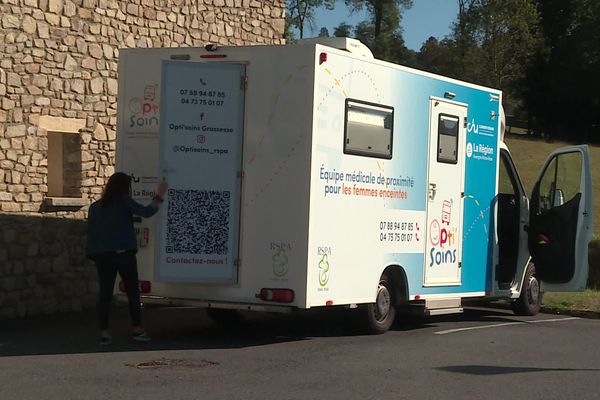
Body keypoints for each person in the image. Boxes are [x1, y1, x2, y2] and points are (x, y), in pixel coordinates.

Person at [86, 172, 168, 345]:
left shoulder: (95, 207)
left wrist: (95, 254)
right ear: (125, 187)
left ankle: (104, 333)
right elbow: (146, 212)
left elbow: (92, 233)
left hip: (103, 256)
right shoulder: (123, 201)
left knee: (105, 295)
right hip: (124, 255)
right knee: (133, 293)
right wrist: (159, 195)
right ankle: (137, 329)